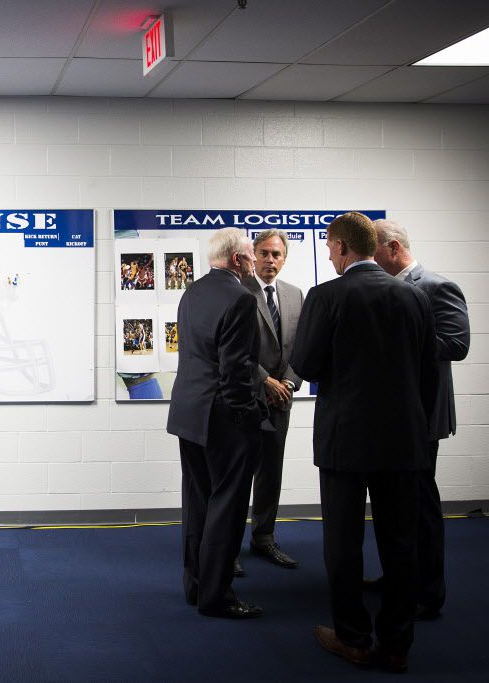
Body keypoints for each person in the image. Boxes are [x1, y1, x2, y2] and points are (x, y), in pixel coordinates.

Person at [290, 212, 438, 673]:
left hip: (345, 442)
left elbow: (309, 364)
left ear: (339, 247)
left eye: (331, 248)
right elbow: (428, 373)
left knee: (344, 541)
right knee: (400, 542)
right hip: (403, 442)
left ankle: (353, 637)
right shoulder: (413, 297)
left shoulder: (327, 295)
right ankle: (396, 645)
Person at [371, 218, 470, 620]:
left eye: (373, 251)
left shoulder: (435, 286)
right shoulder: (386, 289)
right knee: (391, 503)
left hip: (422, 414)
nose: (369, 260)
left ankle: (429, 592)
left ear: (393, 248)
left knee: (419, 504)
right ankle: (397, 578)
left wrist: (400, 336)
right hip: (390, 414)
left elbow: (457, 344)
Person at [166, 228, 267, 619]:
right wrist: (248, 418)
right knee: (227, 507)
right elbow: (236, 371)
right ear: (239, 259)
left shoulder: (191, 292)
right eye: (251, 256)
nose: (255, 263)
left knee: (197, 503)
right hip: (224, 418)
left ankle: (195, 587)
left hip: (188, 414)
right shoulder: (240, 298)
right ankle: (218, 597)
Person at [236, 230, 304, 572]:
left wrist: (288, 384)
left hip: (281, 402)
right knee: (238, 475)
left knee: (270, 474)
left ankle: (263, 538)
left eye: (276, 254)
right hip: (246, 399)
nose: (270, 260)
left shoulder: (295, 295)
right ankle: (228, 549)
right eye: (264, 253)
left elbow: (300, 347)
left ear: (284, 258)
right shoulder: (238, 292)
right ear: (253, 255)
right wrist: (265, 382)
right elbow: (234, 350)